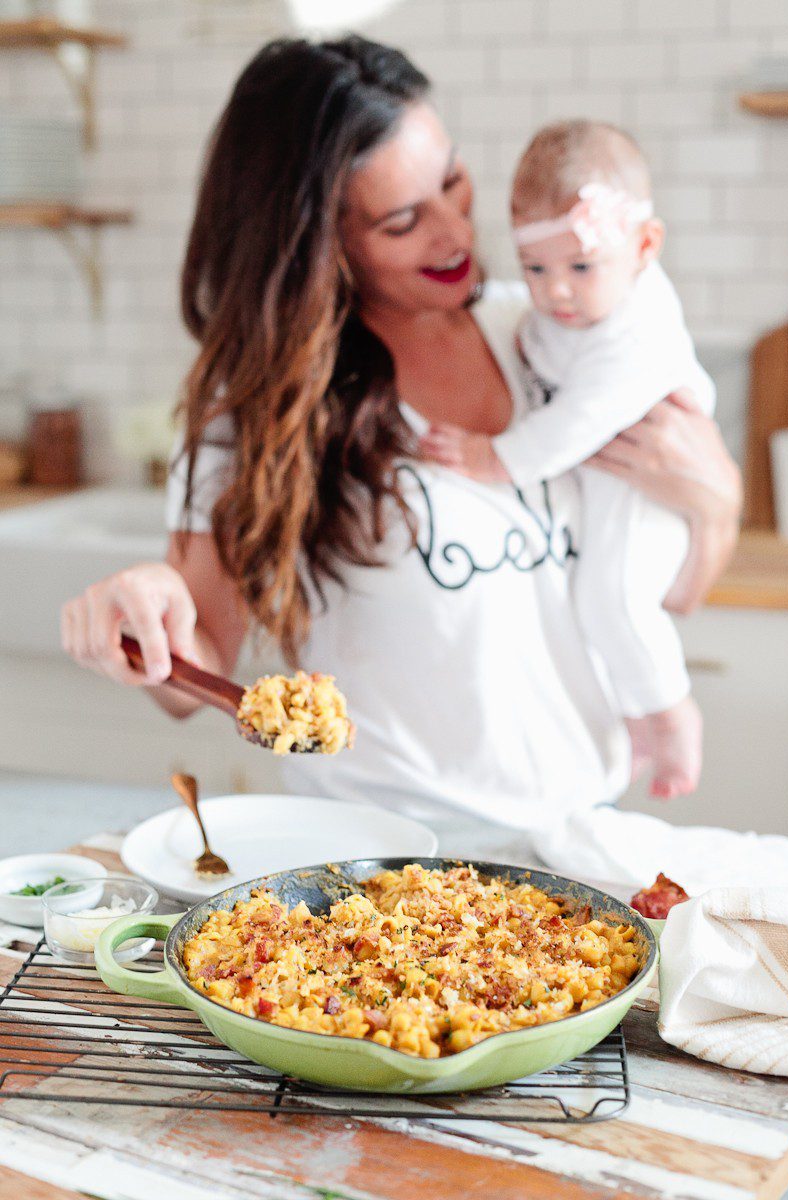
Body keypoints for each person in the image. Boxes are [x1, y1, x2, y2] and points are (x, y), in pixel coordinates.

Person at [60, 37, 741, 861]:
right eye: (402, 220)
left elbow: (673, 596)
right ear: (319, 243)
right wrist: (141, 604)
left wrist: (715, 508)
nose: (456, 232)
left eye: (451, 179)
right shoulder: (261, 412)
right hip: (381, 860)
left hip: (583, 845)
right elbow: (199, 669)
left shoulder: (557, 337)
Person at [421, 120, 713, 802]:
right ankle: (638, 717)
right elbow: (538, 336)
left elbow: (567, 428)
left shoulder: (638, 335)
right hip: (613, 483)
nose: (555, 292)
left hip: (649, 498)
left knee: (612, 598)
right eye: (536, 268)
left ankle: (673, 716)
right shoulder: (575, 307)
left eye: (580, 267)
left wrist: (490, 456)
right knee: (590, 601)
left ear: (644, 247)